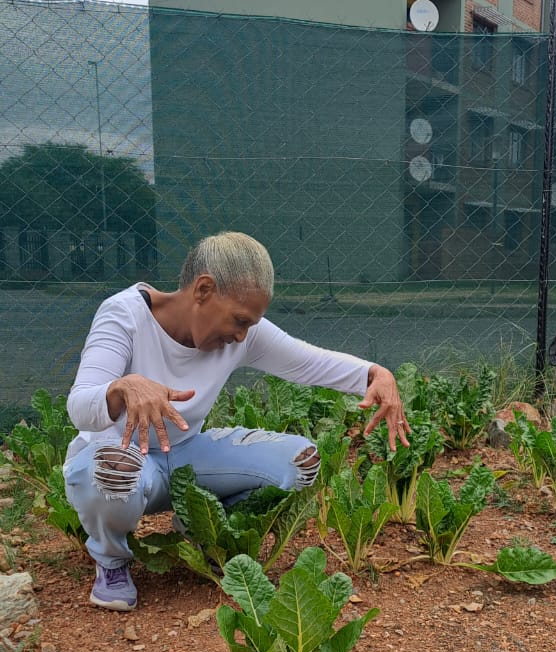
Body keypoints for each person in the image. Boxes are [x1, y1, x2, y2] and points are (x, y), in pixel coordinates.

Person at [64, 231, 410, 612]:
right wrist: (123, 387)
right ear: (204, 290)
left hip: (185, 457)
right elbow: (80, 405)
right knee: (112, 471)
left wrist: (375, 374)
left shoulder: (243, 334)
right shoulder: (124, 315)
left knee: (300, 465)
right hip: (121, 458)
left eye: (250, 325)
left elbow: (309, 361)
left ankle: (202, 531)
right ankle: (111, 561)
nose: (242, 335)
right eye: (239, 321)